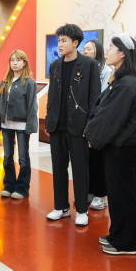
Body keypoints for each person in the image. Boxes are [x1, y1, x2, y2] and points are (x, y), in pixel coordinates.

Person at [85, 33, 136, 255]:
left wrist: (94, 137)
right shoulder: (120, 79)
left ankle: (126, 243)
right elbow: (100, 108)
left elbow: (110, 117)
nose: (107, 51)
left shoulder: (128, 83)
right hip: (117, 146)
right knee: (117, 194)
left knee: (124, 195)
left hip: (124, 147)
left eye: (111, 47)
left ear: (122, 54)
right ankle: (116, 234)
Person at [44, 24, 100, 226]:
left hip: (79, 126)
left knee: (80, 170)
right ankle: (61, 207)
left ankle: (82, 210)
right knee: (58, 168)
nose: (59, 44)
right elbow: (52, 95)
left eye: (64, 40)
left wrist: (90, 125)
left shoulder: (89, 64)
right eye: (58, 40)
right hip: (57, 125)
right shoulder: (55, 65)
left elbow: (95, 98)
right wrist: (48, 120)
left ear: (75, 43)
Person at [0, 50, 38, 199]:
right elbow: (0, 104)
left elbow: (32, 106)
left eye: (18, 60)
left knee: (23, 158)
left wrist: (31, 126)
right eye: (12, 60)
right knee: (7, 157)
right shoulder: (5, 81)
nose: (15, 63)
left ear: (24, 62)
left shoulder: (30, 82)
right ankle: (9, 186)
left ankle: (22, 188)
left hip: (22, 127)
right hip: (6, 126)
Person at [81, 39, 112, 211]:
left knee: (98, 160)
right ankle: (90, 192)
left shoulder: (107, 71)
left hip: (98, 119)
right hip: (85, 118)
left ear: (97, 51)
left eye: (88, 49)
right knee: (88, 160)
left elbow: (101, 97)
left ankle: (101, 195)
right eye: (84, 49)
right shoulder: (83, 68)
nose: (84, 51)